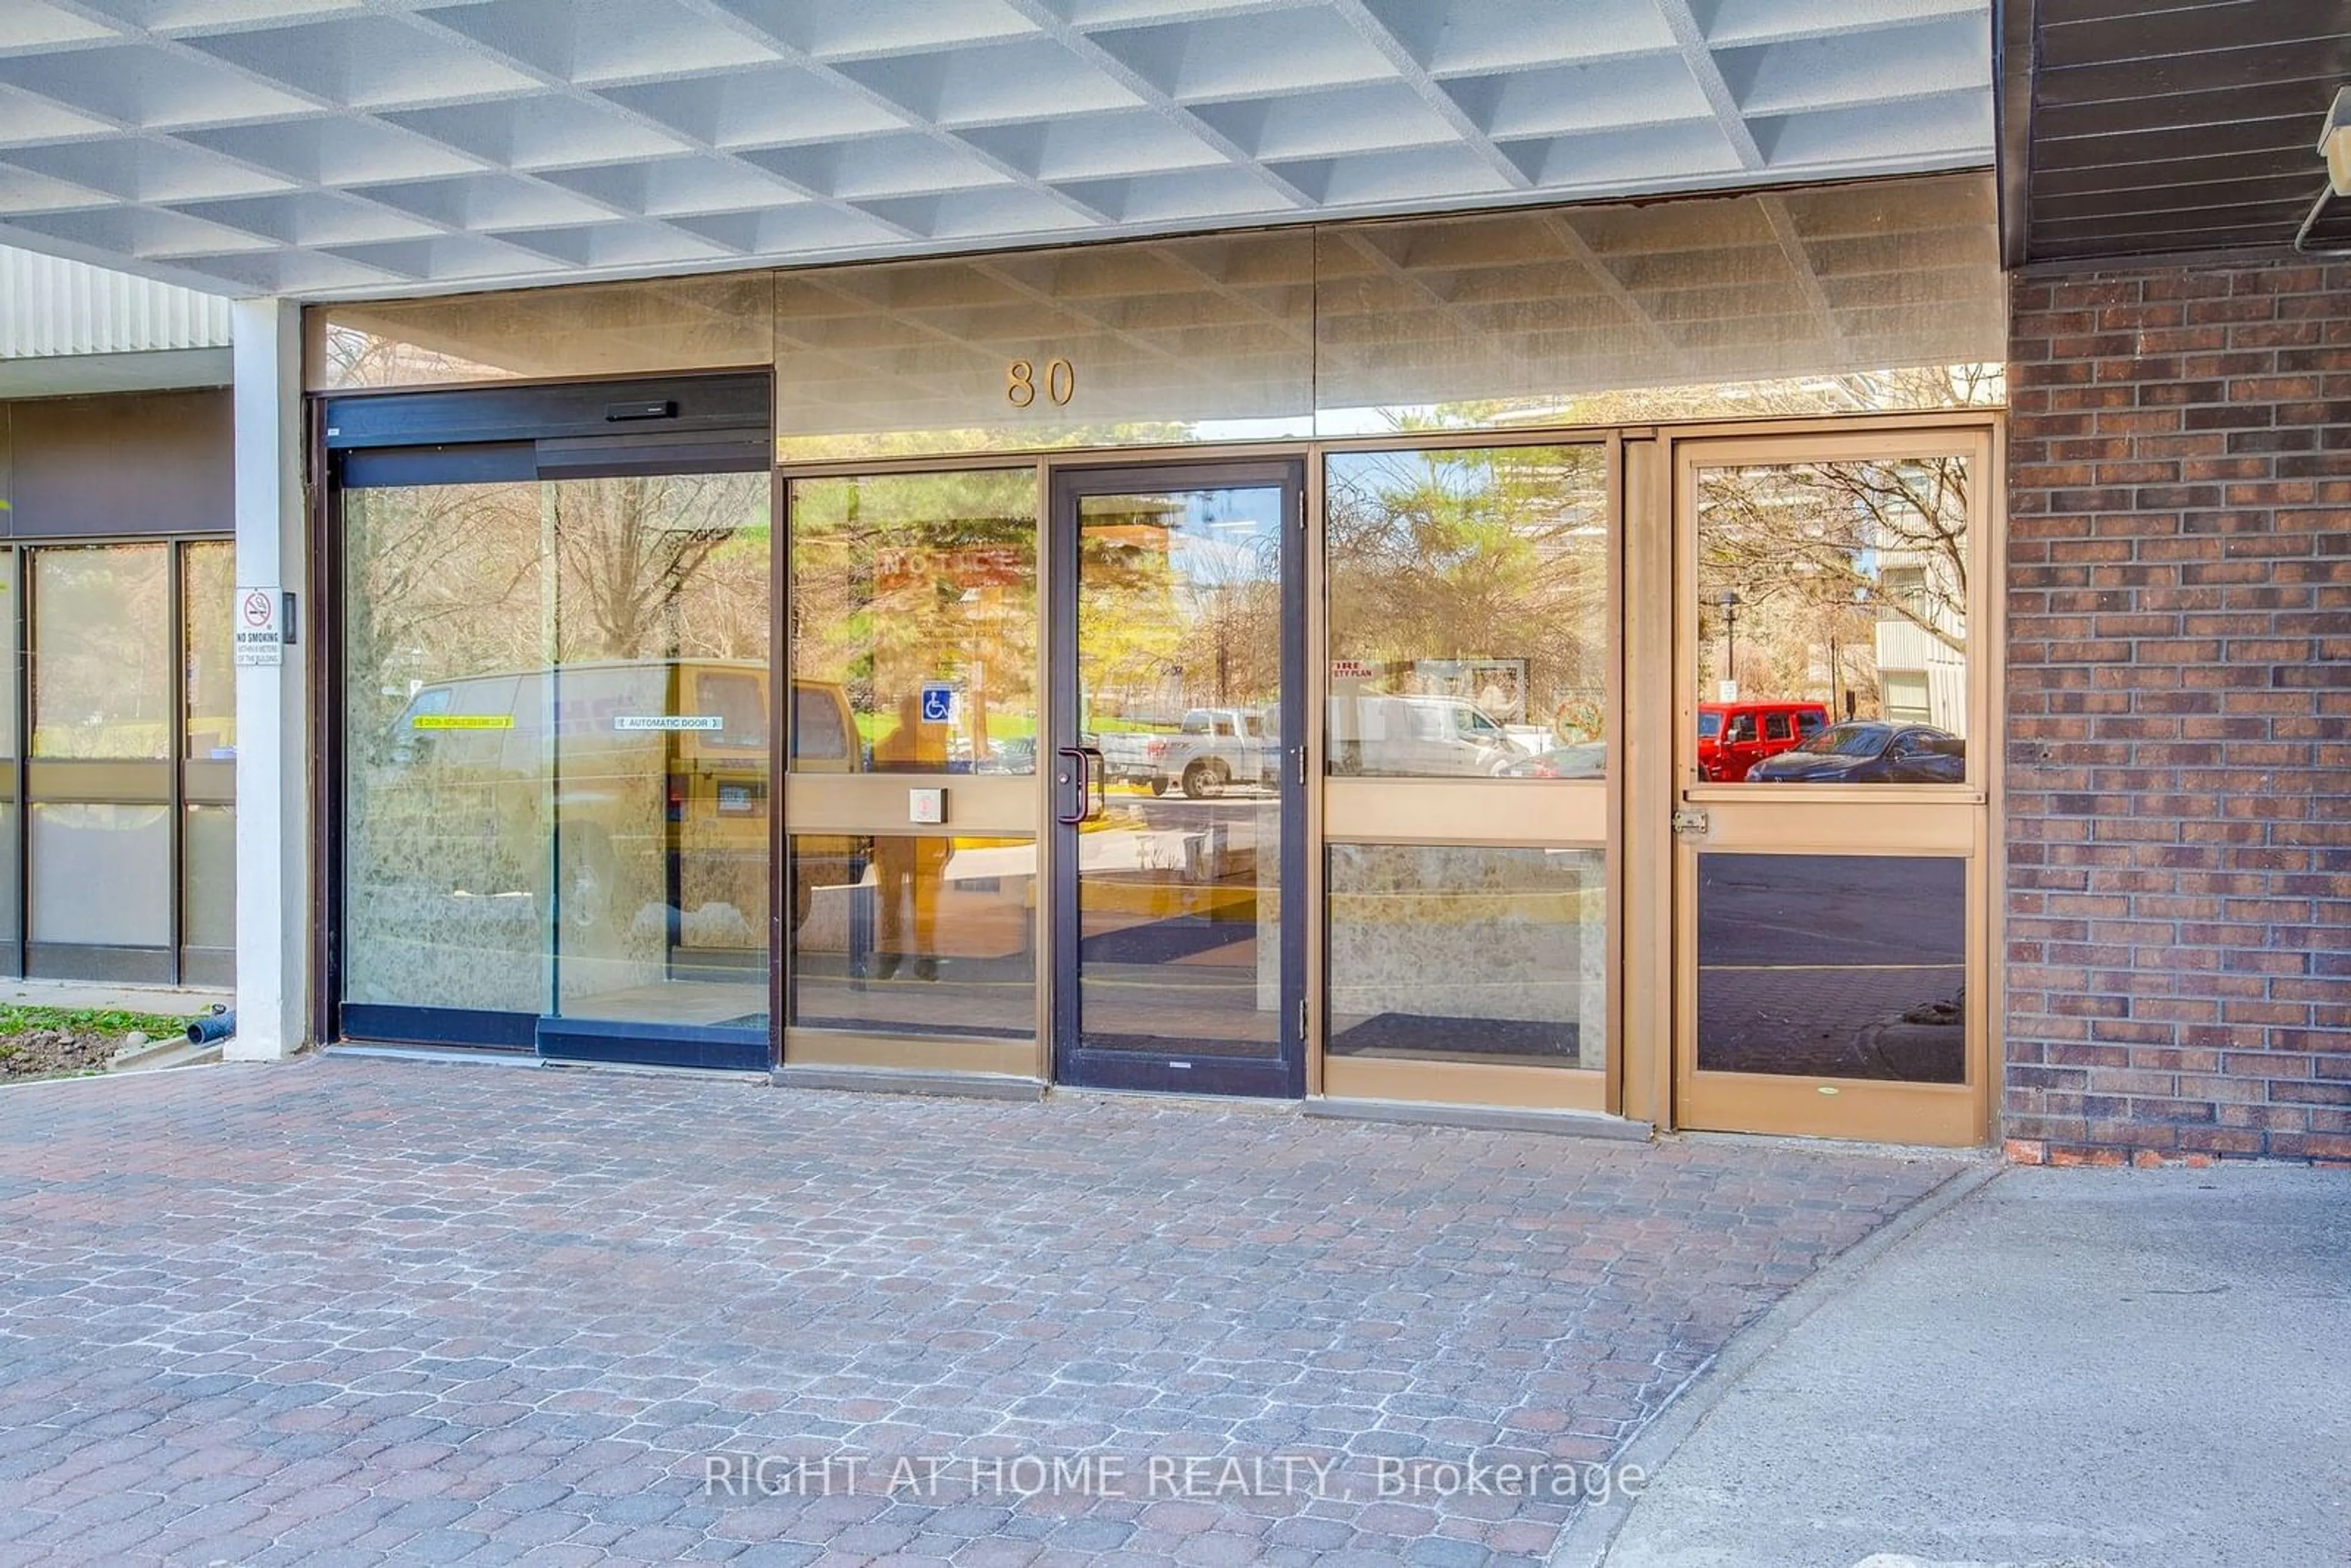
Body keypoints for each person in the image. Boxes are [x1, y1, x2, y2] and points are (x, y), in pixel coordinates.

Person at [871, 693, 950, 980]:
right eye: (909, 712)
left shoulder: (926, 750)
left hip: (914, 839)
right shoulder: (890, 749)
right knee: (895, 901)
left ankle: (917, 957)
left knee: (918, 902)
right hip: (898, 839)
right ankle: (900, 956)